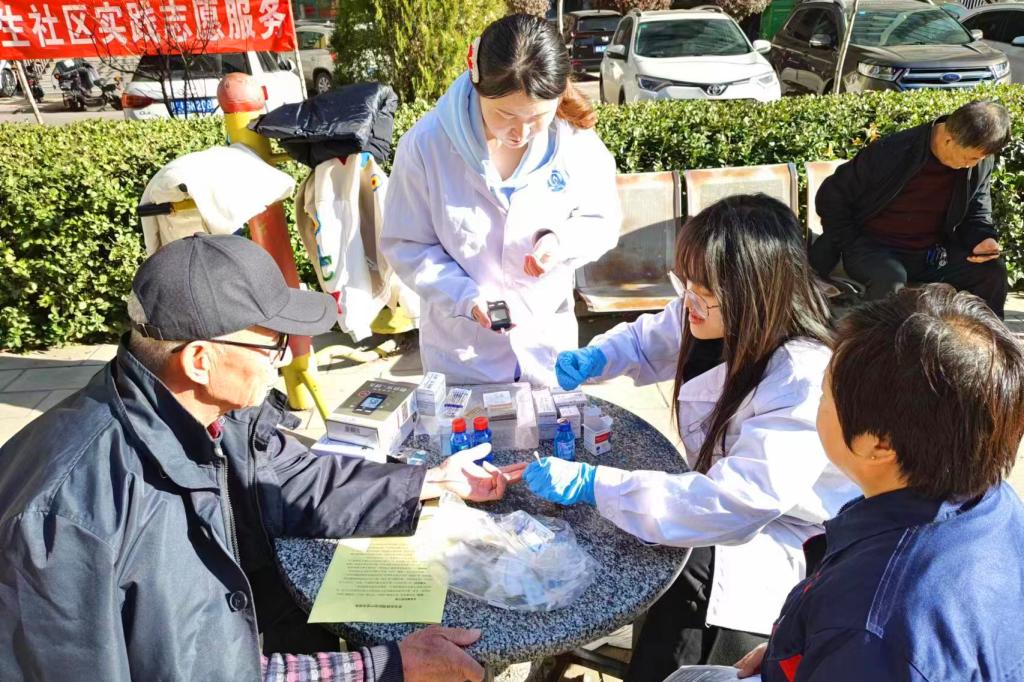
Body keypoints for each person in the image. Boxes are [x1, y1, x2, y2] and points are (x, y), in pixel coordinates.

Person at [0, 234, 525, 682]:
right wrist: (385, 666)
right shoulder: (64, 520)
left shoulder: (207, 410)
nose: (286, 358)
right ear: (200, 360)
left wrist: (430, 481)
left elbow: (295, 477)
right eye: (273, 345)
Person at [526, 195, 859, 681]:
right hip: (720, 504)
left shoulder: (802, 376)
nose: (689, 303)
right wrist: (598, 357)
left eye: (704, 293)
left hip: (787, 535)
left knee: (681, 588)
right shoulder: (707, 308)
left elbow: (739, 500)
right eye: (686, 285)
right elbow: (648, 338)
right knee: (647, 534)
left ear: (754, 293)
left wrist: (593, 484)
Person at [666, 284, 1024, 682]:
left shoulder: (871, 628)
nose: (815, 404)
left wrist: (839, 648)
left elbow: (882, 645)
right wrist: (807, 650)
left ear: (878, 443)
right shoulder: (990, 499)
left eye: (823, 395)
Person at [381, 13, 621, 387]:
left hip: (547, 344)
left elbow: (602, 220)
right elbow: (407, 245)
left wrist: (560, 243)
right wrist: (465, 297)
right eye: (504, 115)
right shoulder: (426, 146)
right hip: (463, 356)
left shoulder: (575, 142)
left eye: (537, 117)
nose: (519, 133)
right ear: (478, 86)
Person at [811, 100, 1011, 318]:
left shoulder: (980, 161)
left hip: (932, 253)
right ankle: (870, 337)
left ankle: (986, 337)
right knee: (890, 278)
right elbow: (831, 196)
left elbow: (977, 210)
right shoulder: (893, 151)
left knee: (991, 272)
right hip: (873, 247)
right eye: (971, 158)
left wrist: (983, 238)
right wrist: (850, 242)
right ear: (948, 139)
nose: (974, 164)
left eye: (981, 158)